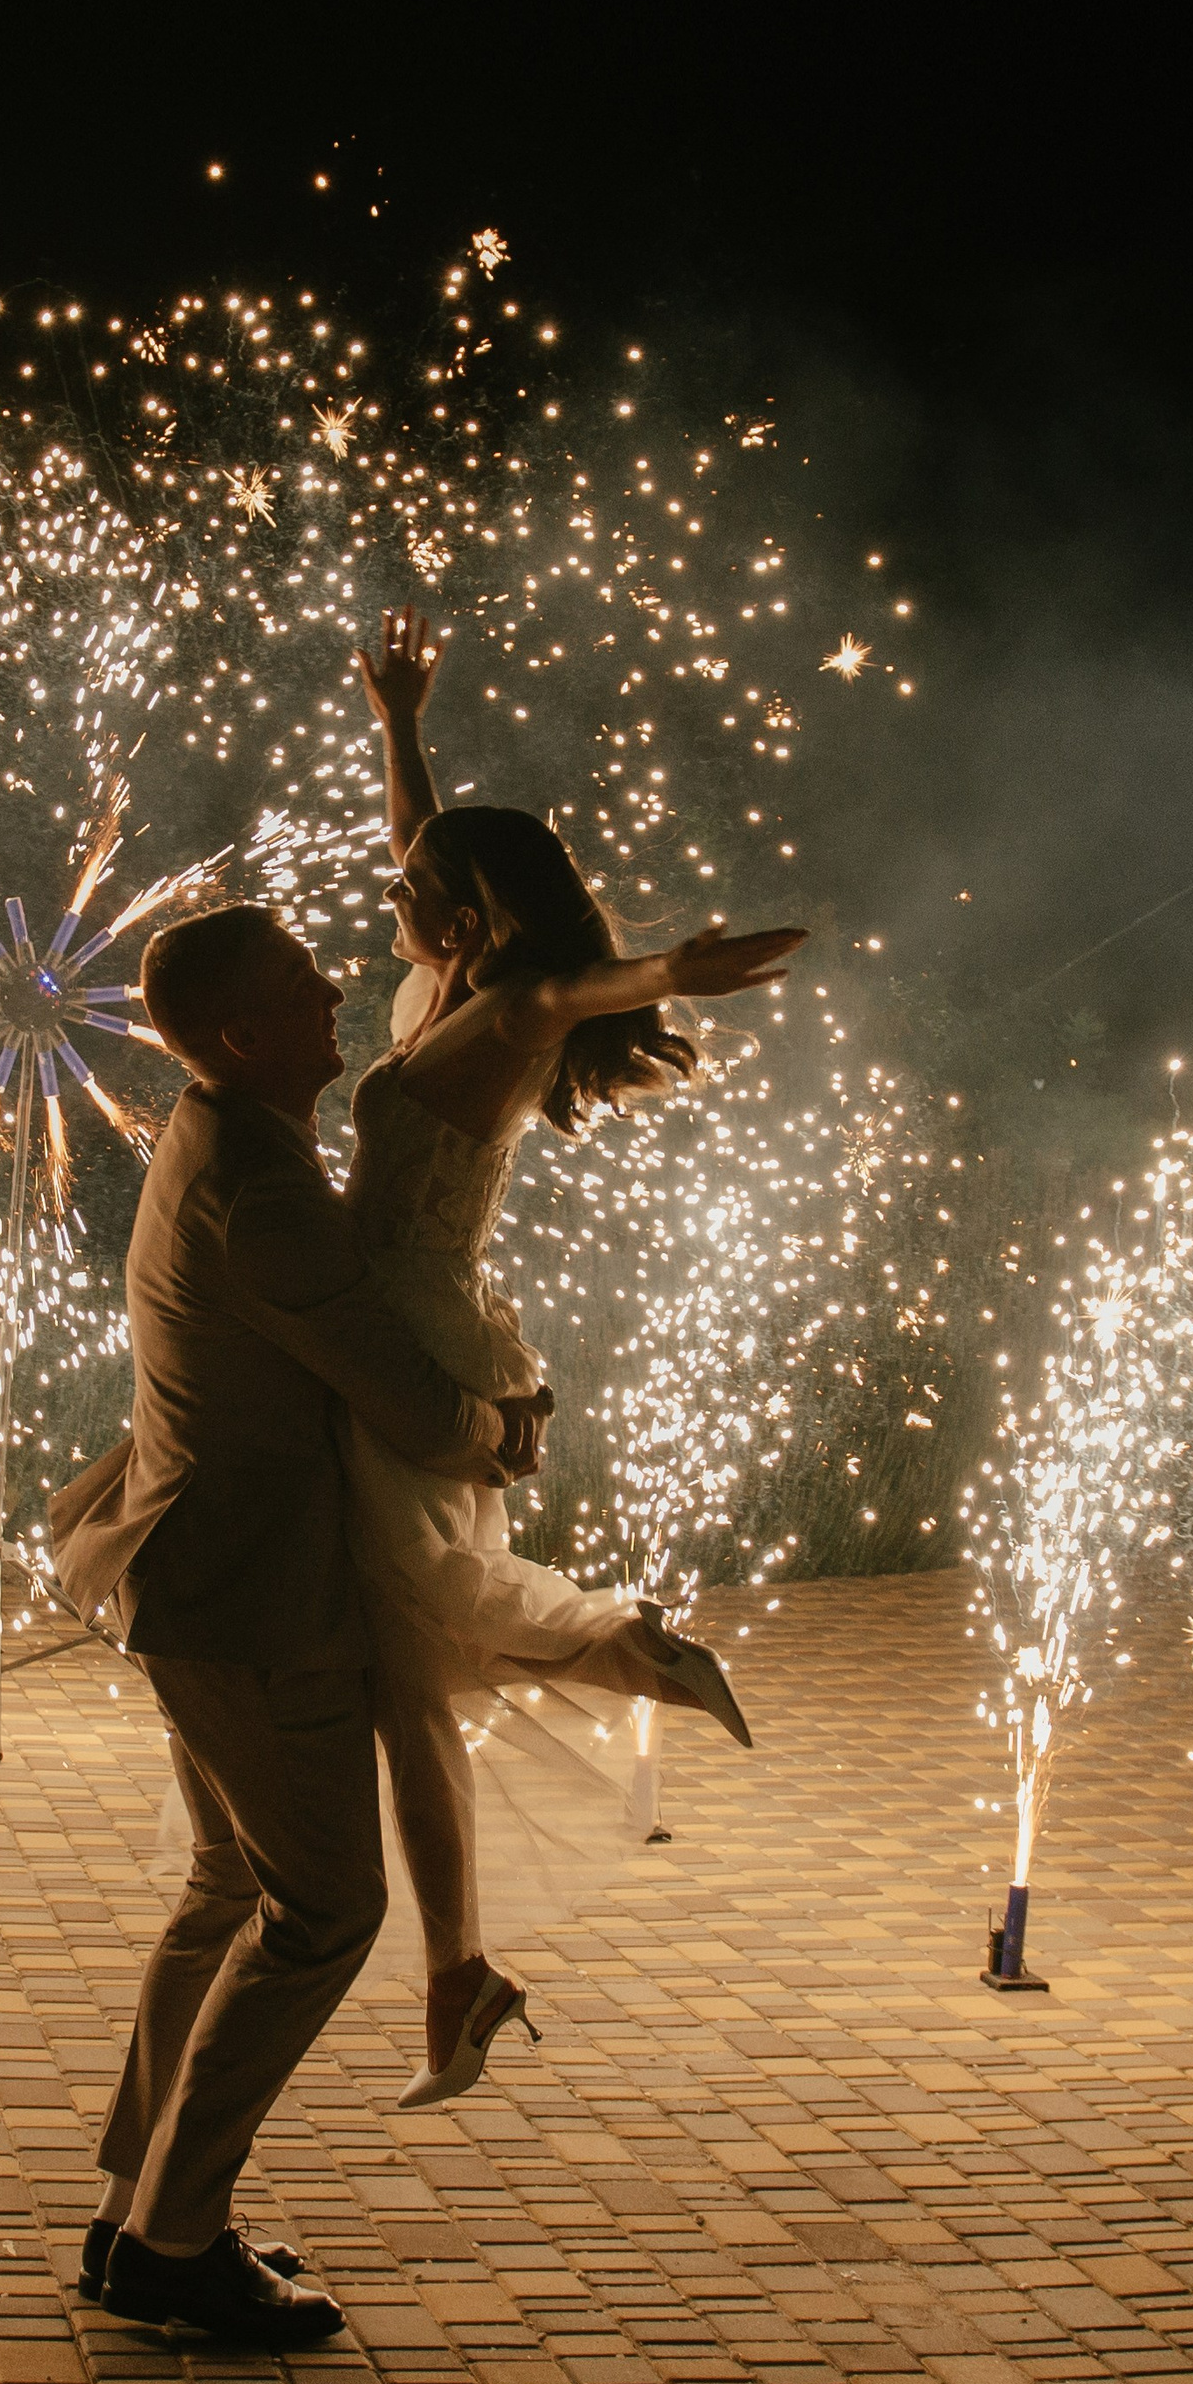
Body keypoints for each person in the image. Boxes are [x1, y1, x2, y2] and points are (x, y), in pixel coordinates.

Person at [50, 902, 549, 2348]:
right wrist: (501, 1429)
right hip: (254, 1596)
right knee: (325, 1909)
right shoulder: (256, 1187)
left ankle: (140, 2210)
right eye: (297, 985)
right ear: (234, 1036)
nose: (334, 988)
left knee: (223, 1887)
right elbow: (390, 1385)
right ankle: (172, 2243)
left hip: (201, 1578)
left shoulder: (227, 1137)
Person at [347, 604, 808, 2105]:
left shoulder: (500, 1014)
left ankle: (620, 1648)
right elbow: (433, 850)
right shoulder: (441, 985)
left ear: (465, 923)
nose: (397, 891)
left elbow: (563, 986)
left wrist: (671, 968)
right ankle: (458, 1973)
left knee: (417, 1639)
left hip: (408, 1332)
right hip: (423, 1315)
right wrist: (402, 719)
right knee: (411, 1670)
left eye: (420, 892)